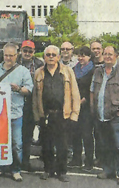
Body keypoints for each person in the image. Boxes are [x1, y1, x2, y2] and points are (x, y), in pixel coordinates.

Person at [33, 45, 80, 182]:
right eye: (48, 55)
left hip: (63, 115)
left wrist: (74, 115)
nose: (51, 57)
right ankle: (47, 170)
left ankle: (62, 171)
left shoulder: (67, 71)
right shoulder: (38, 73)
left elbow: (75, 94)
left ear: (58, 57)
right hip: (46, 115)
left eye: (54, 55)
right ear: (44, 57)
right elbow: (35, 97)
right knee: (46, 145)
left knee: (63, 146)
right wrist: (38, 116)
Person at [91, 46, 119, 185]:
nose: (107, 56)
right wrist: (93, 107)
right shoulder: (98, 71)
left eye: (110, 54)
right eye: (105, 54)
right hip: (101, 115)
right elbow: (92, 90)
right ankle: (108, 169)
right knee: (105, 144)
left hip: (117, 115)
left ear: (116, 56)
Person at [0, 43, 33, 182]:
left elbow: (29, 89)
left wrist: (18, 89)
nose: (8, 58)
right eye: (6, 55)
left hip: (15, 113)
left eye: (11, 55)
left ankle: (16, 169)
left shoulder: (23, 71)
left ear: (17, 55)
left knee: (16, 144)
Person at [17, 40, 44, 171]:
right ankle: (14, 161)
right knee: (15, 134)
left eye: (30, 51)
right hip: (16, 101)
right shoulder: (14, 61)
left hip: (31, 103)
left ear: (34, 52)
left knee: (27, 134)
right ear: (21, 51)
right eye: (25, 50)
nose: (27, 53)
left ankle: (25, 161)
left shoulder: (39, 64)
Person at [68, 46, 96, 171]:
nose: (80, 58)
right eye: (79, 55)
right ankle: (76, 159)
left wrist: (83, 100)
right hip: (75, 106)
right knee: (75, 134)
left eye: (83, 55)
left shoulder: (93, 70)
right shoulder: (74, 69)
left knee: (86, 135)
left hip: (86, 107)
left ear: (89, 57)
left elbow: (92, 89)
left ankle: (89, 161)